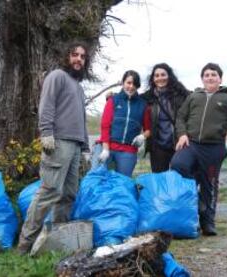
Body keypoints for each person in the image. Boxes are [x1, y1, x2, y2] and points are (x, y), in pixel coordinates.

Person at [17, 41, 91, 255]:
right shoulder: (57, 76)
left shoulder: (78, 87)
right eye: (74, 54)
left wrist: (85, 145)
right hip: (58, 143)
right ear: (67, 57)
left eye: (82, 56)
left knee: (68, 194)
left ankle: (56, 240)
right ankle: (24, 244)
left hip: (75, 146)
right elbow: (46, 105)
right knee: (49, 191)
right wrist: (46, 133)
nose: (78, 59)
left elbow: (81, 118)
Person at [170, 63, 227, 236]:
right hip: (192, 144)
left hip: (214, 148)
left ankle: (207, 222)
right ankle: (191, 206)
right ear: (202, 78)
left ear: (220, 79)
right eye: (207, 75)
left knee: (209, 185)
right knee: (177, 164)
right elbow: (181, 117)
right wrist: (182, 134)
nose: (210, 77)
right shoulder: (194, 96)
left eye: (214, 75)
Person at [141, 63, 227, 173]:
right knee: (159, 179)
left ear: (169, 76)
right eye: (157, 75)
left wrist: (225, 90)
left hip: (179, 142)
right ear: (153, 79)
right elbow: (133, 99)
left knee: (180, 176)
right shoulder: (148, 97)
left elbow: (204, 93)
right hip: (158, 146)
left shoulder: (180, 93)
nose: (160, 78)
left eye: (163, 75)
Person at [93, 70, 151, 177]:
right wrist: (105, 149)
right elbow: (105, 126)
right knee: (97, 178)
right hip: (107, 146)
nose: (131, 86)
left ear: (137, 86)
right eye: (128, 83)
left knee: (122, 183)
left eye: (134, 84)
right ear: (123, 83)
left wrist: (143, 136)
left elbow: (148, 130)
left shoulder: (143, 105)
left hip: (128, 150)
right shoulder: (113, 100)